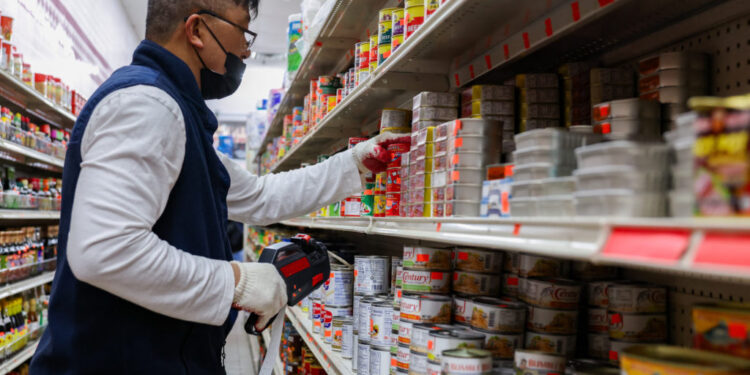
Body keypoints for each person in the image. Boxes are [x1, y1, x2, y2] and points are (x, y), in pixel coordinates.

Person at [29, 0, 407, 373]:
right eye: (243, 31)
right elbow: (104, 249)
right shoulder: (147, 104)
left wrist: (353, 165)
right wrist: (237, 283)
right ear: (195, 30)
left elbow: (260, 195)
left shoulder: (176, 113)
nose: (246, 49)